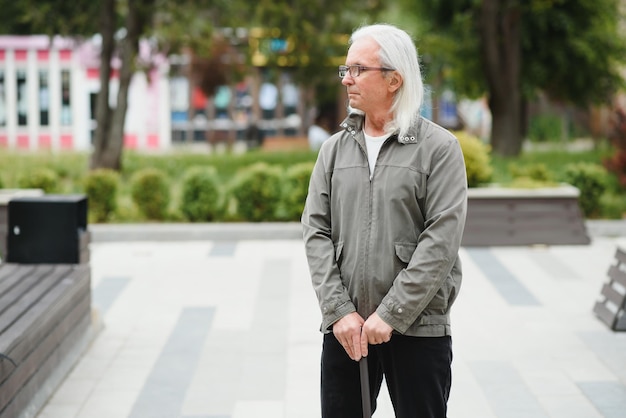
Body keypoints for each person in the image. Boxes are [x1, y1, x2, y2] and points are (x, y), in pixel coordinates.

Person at [301, 23, 467, 418]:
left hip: (419, 326)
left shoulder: (439, 149)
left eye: (358, 69)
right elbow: (315, 231)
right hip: (347, 329)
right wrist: (338, 311)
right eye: (345, 70)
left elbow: (440, 242)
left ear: (394, 79)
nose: (347, 80)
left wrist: (390, 315)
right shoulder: (333, 150)